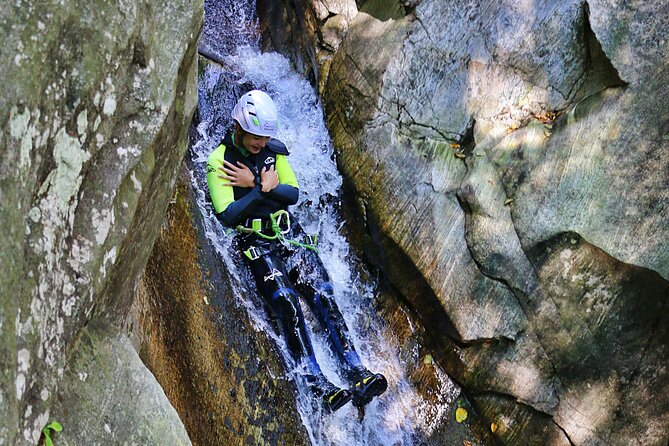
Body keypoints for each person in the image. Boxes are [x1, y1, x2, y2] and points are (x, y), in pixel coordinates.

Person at [206, 90, 387, 412]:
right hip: (254, 242)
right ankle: (316, 382)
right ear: (239, 126)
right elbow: (227, 215)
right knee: (287, 303)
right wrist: (261, 188)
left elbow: (291, 195)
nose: (261, 143)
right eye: (255, 136)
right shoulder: (218, 161)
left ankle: (357, 372)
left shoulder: (274, 152)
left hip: (289, 232)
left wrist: (262, 187)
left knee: (322, 294)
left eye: (265, 137)